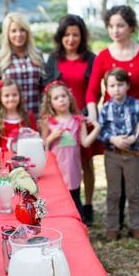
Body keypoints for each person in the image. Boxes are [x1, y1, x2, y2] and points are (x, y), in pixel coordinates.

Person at [44, 14, 99, 225]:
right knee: (63, 163)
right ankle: (64, 204)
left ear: (81, 36)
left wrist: (87, 113)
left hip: (82, 117)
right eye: (67, 34)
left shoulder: (90, 58)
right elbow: (48, 90)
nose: (71, 39)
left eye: (75, 34)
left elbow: (94, 88)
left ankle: (88, 204)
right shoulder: (54, 59)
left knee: (86, 163)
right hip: (60, 119)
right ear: (61, 36)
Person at [98, 68, 139, 240]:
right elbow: (100, 131)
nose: (116, 89)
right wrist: (113, 139)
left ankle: (135, 226)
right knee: (113, 192)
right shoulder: (105, 109)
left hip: (132, 155)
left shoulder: (137, 105)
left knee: (133, 191)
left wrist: (134, 137)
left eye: (120, 85)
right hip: (112, 155)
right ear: (107, 89)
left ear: (127, 85)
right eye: (112, 86)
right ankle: (112, 227)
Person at [40, 81, 100, 219]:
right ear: (50, 103)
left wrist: (97, 128)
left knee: (75, 201)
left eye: (63, 96)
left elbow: (85, 143)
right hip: (56, 171)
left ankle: (79, 226)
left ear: (69, 97)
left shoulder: (78, 121)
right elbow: (42, 145)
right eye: (56, 98)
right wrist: (51, 137)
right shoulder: (47, 122)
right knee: (57, 203)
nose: (61, 100)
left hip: (72, 170)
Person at [0, 13, 45, 118]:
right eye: (13, 31)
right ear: (7, 34)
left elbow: (44, 89)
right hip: (10, 119)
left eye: (22, 30)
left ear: (27, 32)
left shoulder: (38, 55)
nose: (18, 34)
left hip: (36, 116)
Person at [0, 78, 38, 152]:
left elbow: (35, 141)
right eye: (6, 96)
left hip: (27, 159)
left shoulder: (28, 116)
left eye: (14, 95)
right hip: (5, 160)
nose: (11, 98)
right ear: (0, 98)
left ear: (20, 96)